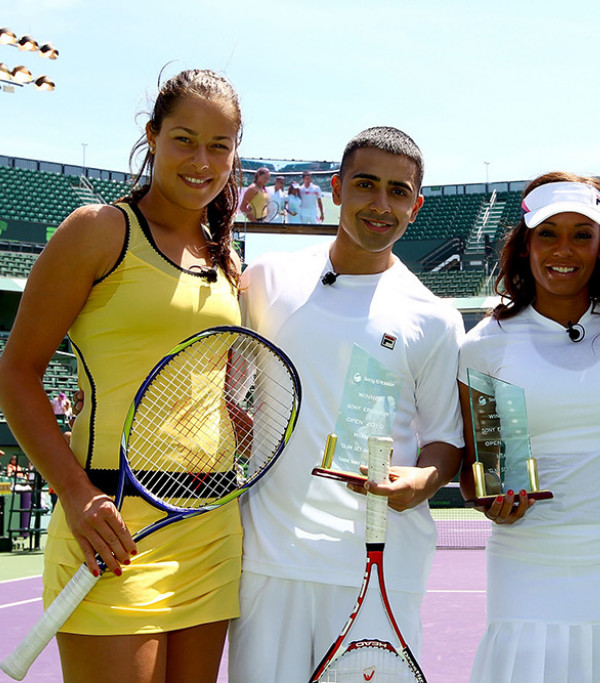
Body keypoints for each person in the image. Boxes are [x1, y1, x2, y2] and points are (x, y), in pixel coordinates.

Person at [0, 69, 246, 683]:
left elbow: (211, 390)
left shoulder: (226, 260)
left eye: (219, 146)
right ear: (152, 136)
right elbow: (16, 375)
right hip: (110, 529)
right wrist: (76, 495)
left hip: (211, 529)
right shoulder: (98, 231)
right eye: (184, 139)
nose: (202, 161)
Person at [229, 126, 464, 680]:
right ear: (336, 189)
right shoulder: (266, 279)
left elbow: (445, 442)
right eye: (365, 184)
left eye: (398, 192)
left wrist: (422, 481)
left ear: (415, 207)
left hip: (380, 568)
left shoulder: (434, 318)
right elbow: (228, 399)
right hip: (269, 564)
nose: (381, 204)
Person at [458, 172, 600, 682]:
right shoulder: (483, 344)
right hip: (526, 562)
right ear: (526, 244)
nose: (563, 249)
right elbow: (480, 468)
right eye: (548, 233)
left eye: (581, 234)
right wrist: (490, 500)